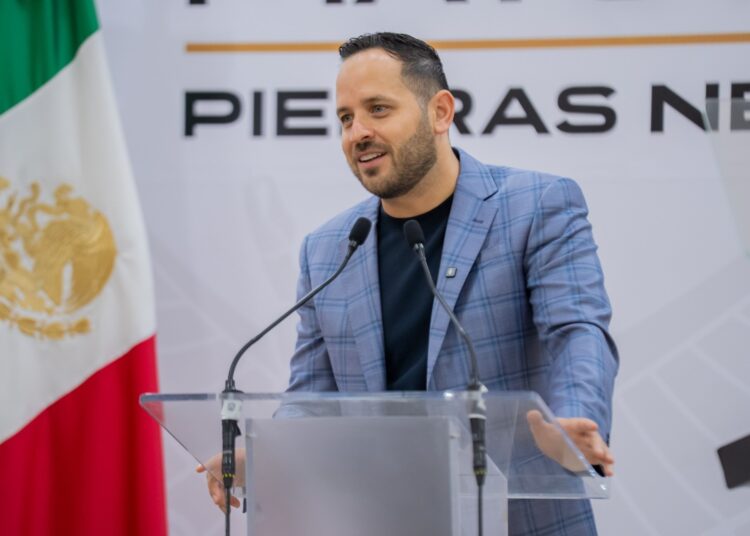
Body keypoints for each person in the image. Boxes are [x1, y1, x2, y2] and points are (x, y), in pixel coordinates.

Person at [200, 32, 618, 535]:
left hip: (523, 519)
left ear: (440, 112)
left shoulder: (535, 206)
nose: (357, 133)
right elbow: (313, 398)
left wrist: (574, 421)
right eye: (346, 118)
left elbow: (577, 330)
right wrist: (266, 455)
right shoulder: (329, 248)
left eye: (378, 109)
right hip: (383, 520)